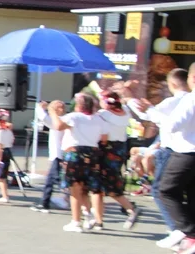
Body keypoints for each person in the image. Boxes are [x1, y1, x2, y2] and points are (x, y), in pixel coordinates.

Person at [125, 69, 190, 245]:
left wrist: (128, 97)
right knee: (184, 193)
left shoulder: (178, 101)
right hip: (180, 152)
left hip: (174, 151)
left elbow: (148, 115)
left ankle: (178, 230)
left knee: (162, 191)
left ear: (173, 84)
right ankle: (184, 231)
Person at [48, 93, 108, 233]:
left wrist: (52, 111)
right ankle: (88, 214)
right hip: (92, 153)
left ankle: (76, 222)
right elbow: (104, 138)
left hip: (74, 153)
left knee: (74, 188)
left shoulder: (74, 117)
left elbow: (58, 126)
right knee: (85, 188)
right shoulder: (98, 119)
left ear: (79, 105)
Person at [158, 63, 195, 254]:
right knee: (191, 195)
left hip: (186, 152)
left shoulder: (191, 98)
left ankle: (189, 233)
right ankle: (190, 240)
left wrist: (157, 116)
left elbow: (173, 125)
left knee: (166, 191)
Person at [96, 91, 140, 230]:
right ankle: (98, 217)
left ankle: (130, 208)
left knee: (103, 184)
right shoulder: (125, 112)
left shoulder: (103, 115)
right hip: (120, 149)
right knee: (104, 184)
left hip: (107, 148)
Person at [31, 100, 65, 213]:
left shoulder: (57, 121)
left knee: (55, 180)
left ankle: (45, 203)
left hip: (58, 155)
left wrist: (40, 107)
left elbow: (43, 117)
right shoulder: (65, 120)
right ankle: (46, 203)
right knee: (54, 180)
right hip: (59, 155)